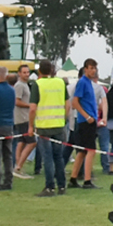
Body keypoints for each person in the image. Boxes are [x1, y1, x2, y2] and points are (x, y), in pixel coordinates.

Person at [31, 61, 69, 197]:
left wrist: (31, 125)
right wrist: (64, 119)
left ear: (39, 71)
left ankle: (49, 187)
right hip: (59, 125)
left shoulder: (38, 84)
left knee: (47, 158)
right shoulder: (60, 82)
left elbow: (33, 108)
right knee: (58, 157)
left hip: (44, 126)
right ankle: (62, 186)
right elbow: (67, 104)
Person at [67, 59, 104, 189]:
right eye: (91, 68)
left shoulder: (89, 83)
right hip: (86, 122)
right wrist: (87, 116)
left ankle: (73, 178)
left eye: (95, 68)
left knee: (82, 151)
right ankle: (87, 180)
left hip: (90, 120)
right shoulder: (82, 82)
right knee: (91, 150)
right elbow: (75, 102)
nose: (93, 71)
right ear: (85, 69)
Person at [11, 64, 37, 178]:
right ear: (19, 73)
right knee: (32, 142)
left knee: (21, 142)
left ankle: (18, 167)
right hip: (23, 118)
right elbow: (16, 101)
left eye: (28, 72)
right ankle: (18, 166)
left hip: (23, 118)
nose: (27, 74)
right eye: (24, 72)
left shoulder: (25, 85)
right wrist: (30, 106)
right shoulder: (19, 85)